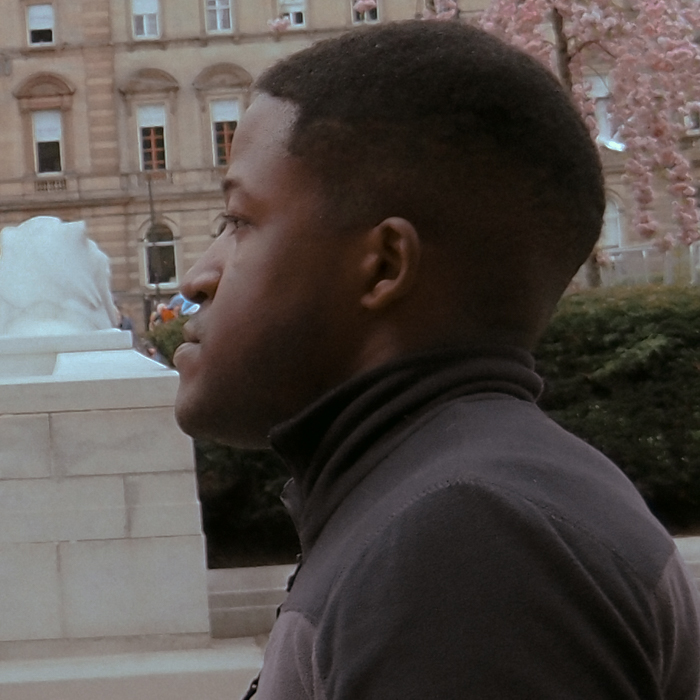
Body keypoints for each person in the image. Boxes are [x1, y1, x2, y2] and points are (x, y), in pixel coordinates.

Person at [173, 21, 700, 699]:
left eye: (239, 221)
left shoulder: (465, 538)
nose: (197, 277)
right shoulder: (448, 500)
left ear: (384, 265)